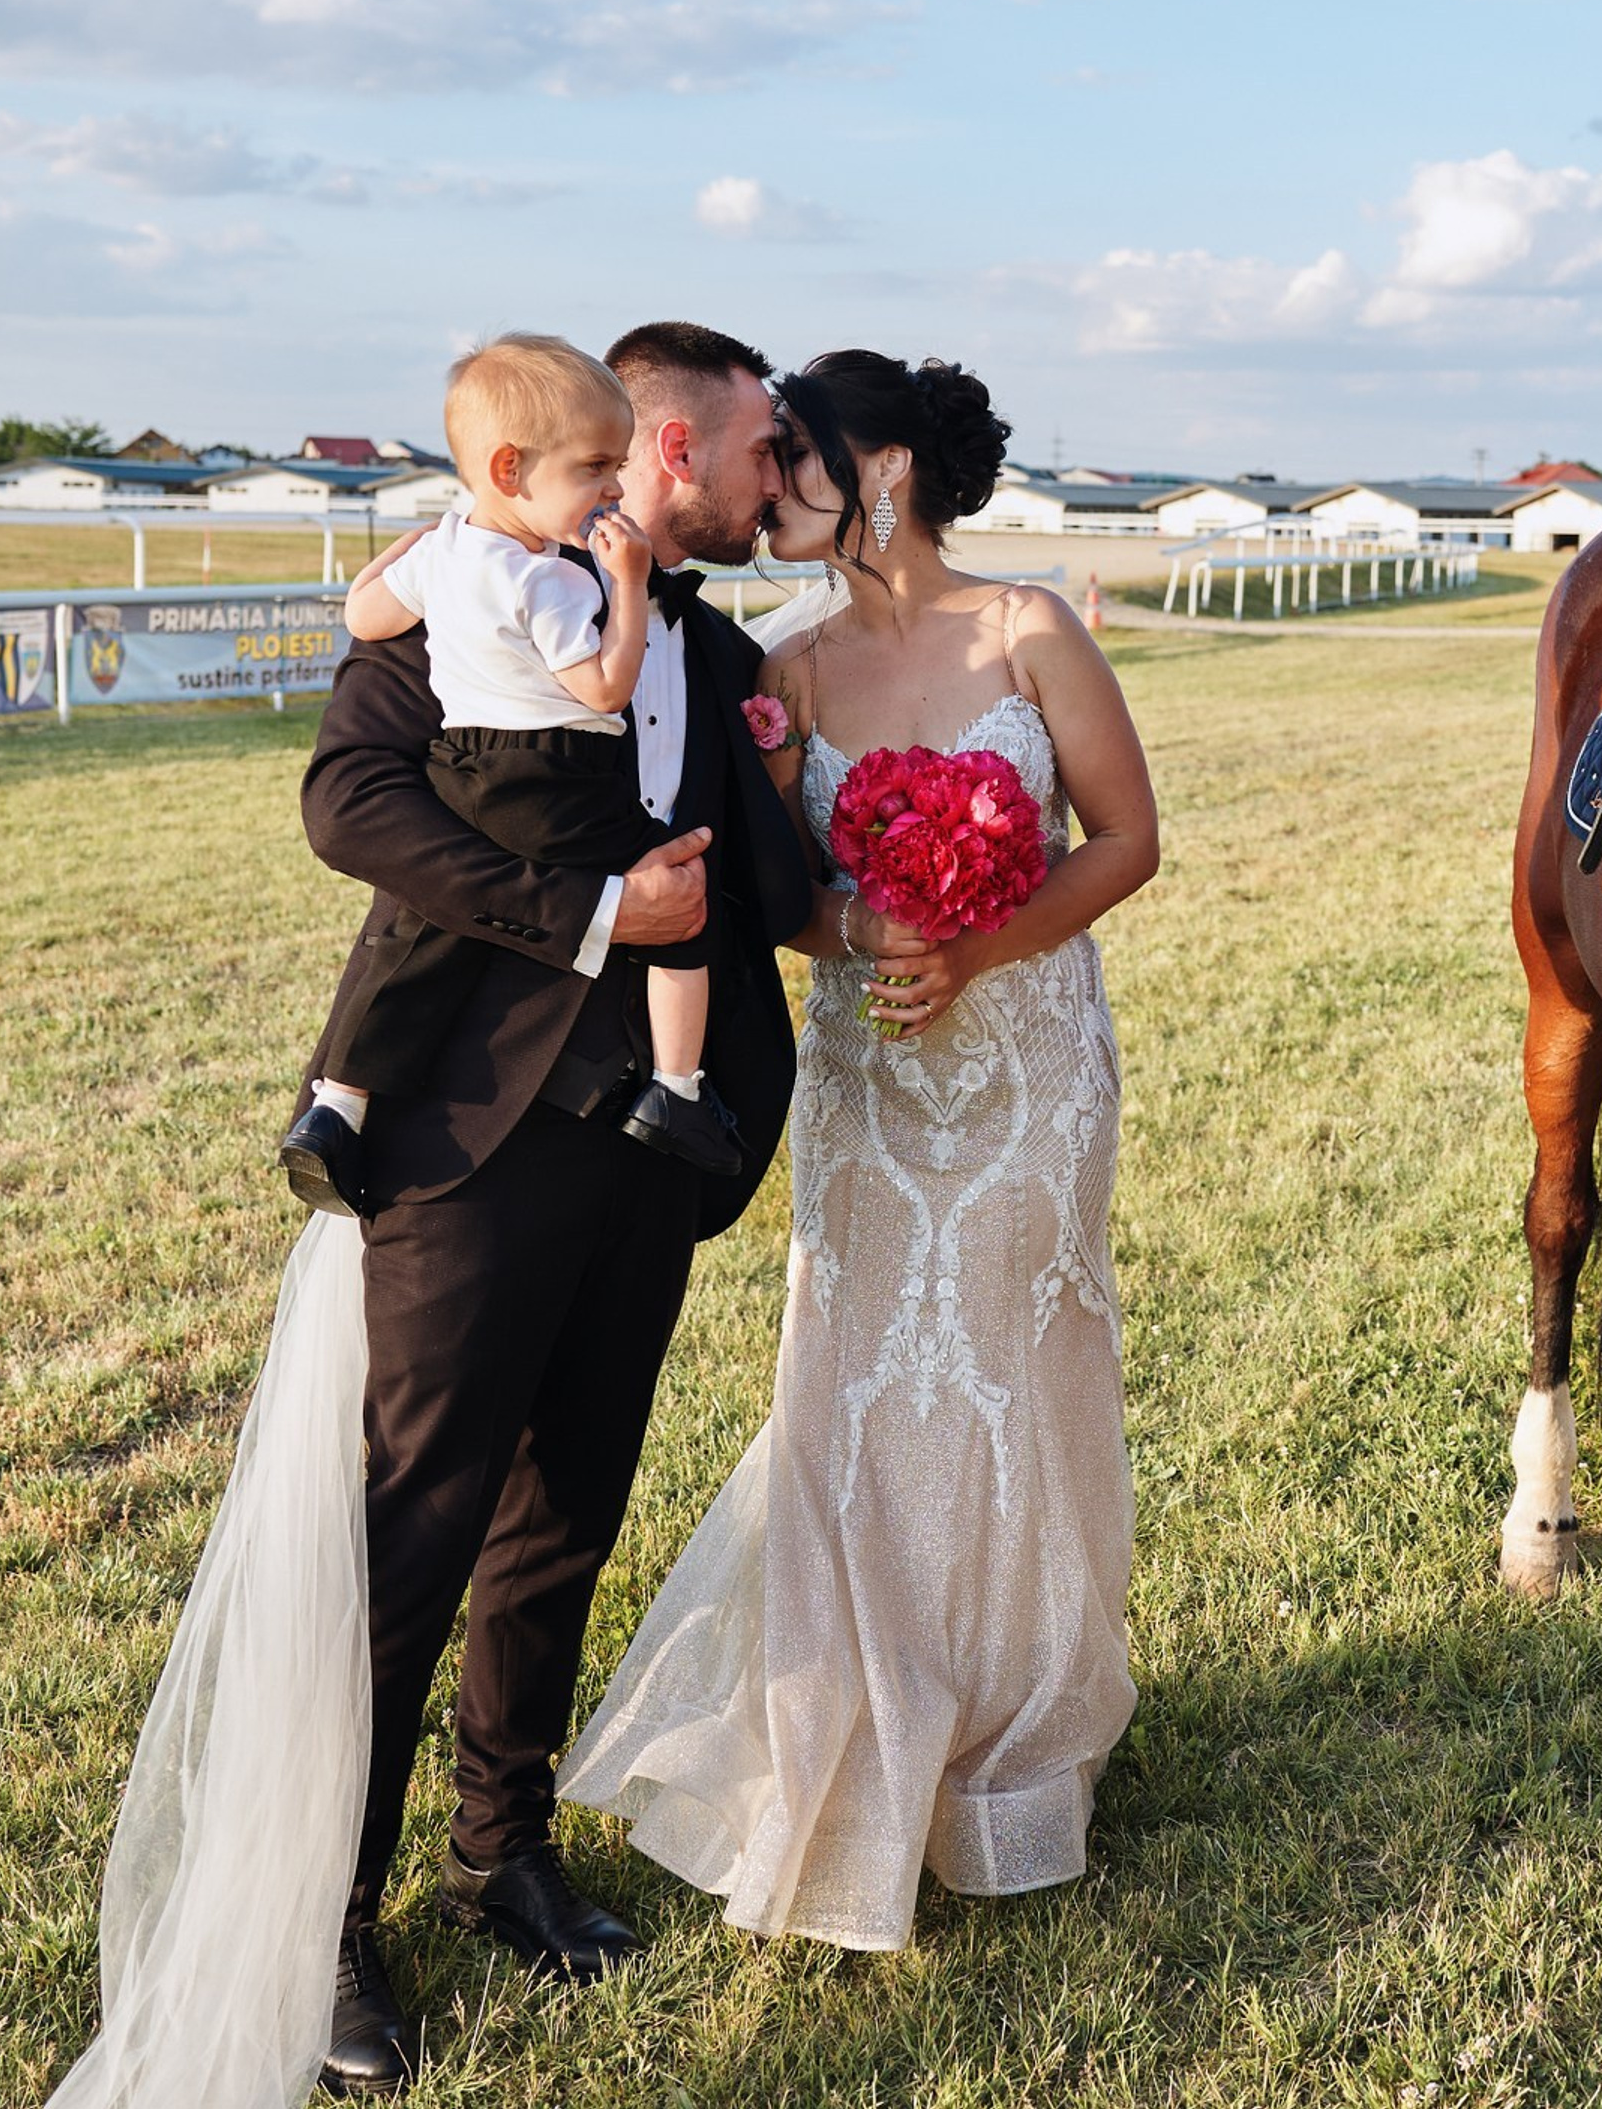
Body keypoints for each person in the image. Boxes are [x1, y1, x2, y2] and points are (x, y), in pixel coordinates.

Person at [558, 349, 1160, 1952]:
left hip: (1029, 1072)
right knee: (858, 1381)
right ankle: (866, 1724)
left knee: (1011, 1387)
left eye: (799, 457)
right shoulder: (789, 673)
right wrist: (858, 926)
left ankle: (1011, 1743)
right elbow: (777, 897)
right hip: (873, 1095)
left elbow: (1129, 840)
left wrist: (981, 944)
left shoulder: (1030, 631)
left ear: (879, 467)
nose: (774, 488)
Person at [299, 321, 808, 2092]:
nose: (773, 480)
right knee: (410, 1540)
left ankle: (500, 1850)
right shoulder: (469, 594)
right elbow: (351, 804)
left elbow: (779, 880)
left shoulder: (720, 651)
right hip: (468, 1135)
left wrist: (947, 815)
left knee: (564, 1518)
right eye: (757, 450)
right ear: (660, 450)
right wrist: (597, 920)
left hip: (648, 1149)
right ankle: (327, 1923)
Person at [279, 334, 741, 1217]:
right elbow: (606, 683)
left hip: (465, 767)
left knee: (419, 934)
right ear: (510, 468)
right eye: (598, 465)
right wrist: (629, 585)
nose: (614, 485)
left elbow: (365, 614)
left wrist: (403, 560)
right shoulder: (555, 583)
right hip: (557, 771)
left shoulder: (442, 555)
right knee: (683, 902)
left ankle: (337, 1106)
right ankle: (678, 1091)